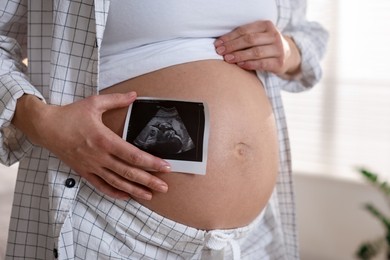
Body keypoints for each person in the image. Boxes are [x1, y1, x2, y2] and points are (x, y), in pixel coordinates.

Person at [0, 0, 328, 259]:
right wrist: (41, 121)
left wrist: (289, 51)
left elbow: (306, 33)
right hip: (110, 220)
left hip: (252, 238)